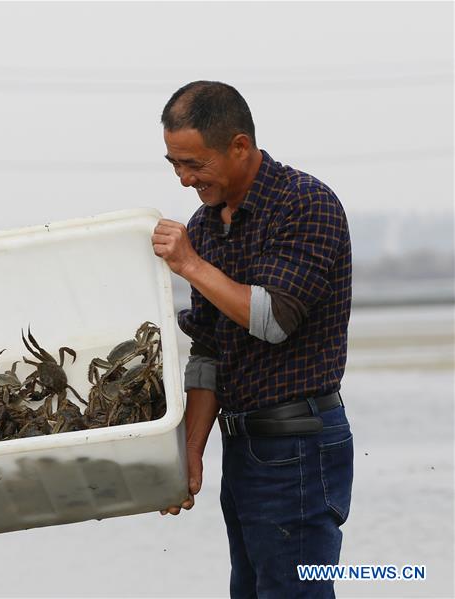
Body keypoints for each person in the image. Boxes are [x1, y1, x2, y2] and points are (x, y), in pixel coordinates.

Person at [151, 81, 354, 598]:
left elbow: (273, 320)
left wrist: (190, 265)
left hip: (299, 445)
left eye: (194, 163)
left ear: (240, 146)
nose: (183, 178)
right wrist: (190, 452)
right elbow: (208, 350)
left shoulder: (306, 204)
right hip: (242, 449)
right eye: (174, 163)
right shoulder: (205, 223)